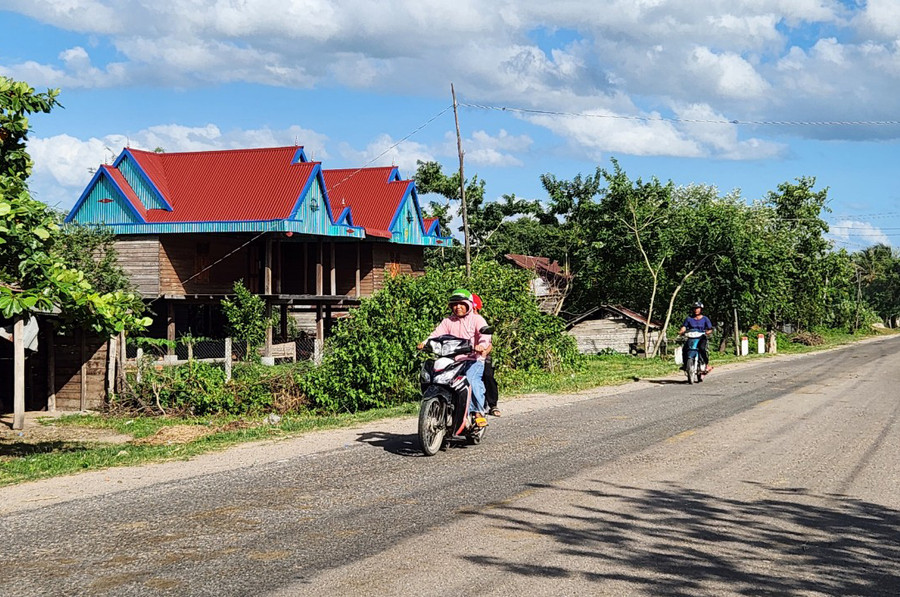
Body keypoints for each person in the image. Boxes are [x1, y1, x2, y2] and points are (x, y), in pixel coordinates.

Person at [418, 289, 492, 427]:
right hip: (452, 360)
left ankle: (478, 413)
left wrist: (481, 345)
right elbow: (436, 334)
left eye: (461, 303)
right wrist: (425, 343)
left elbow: (485, 335)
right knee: (437, 377)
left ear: (468, 305)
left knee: (471, 380)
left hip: (472, 360)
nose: (458, 307)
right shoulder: (448, 321)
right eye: (455, 304)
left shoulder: (477, 319)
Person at [472, 294, 500, 417]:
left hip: (480, 355)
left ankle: (492, 404)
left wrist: (484, 351)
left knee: (488, 375)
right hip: (462, 356)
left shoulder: (480, 321)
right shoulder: (457, 321)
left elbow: (489, 343)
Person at [678, 302, 713, 373]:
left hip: (701, 337)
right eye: (694, 308)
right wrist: (681, 331)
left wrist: (708, 332)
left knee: (702, 348)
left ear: (701, 309)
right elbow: (684, 327)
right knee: (685, 349)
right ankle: (685, 364)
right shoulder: (689, 319)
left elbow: (710, 329)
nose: (696, 310)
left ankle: (706, 364)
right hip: (691, 337)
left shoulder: (705, 319)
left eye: (697, 308)